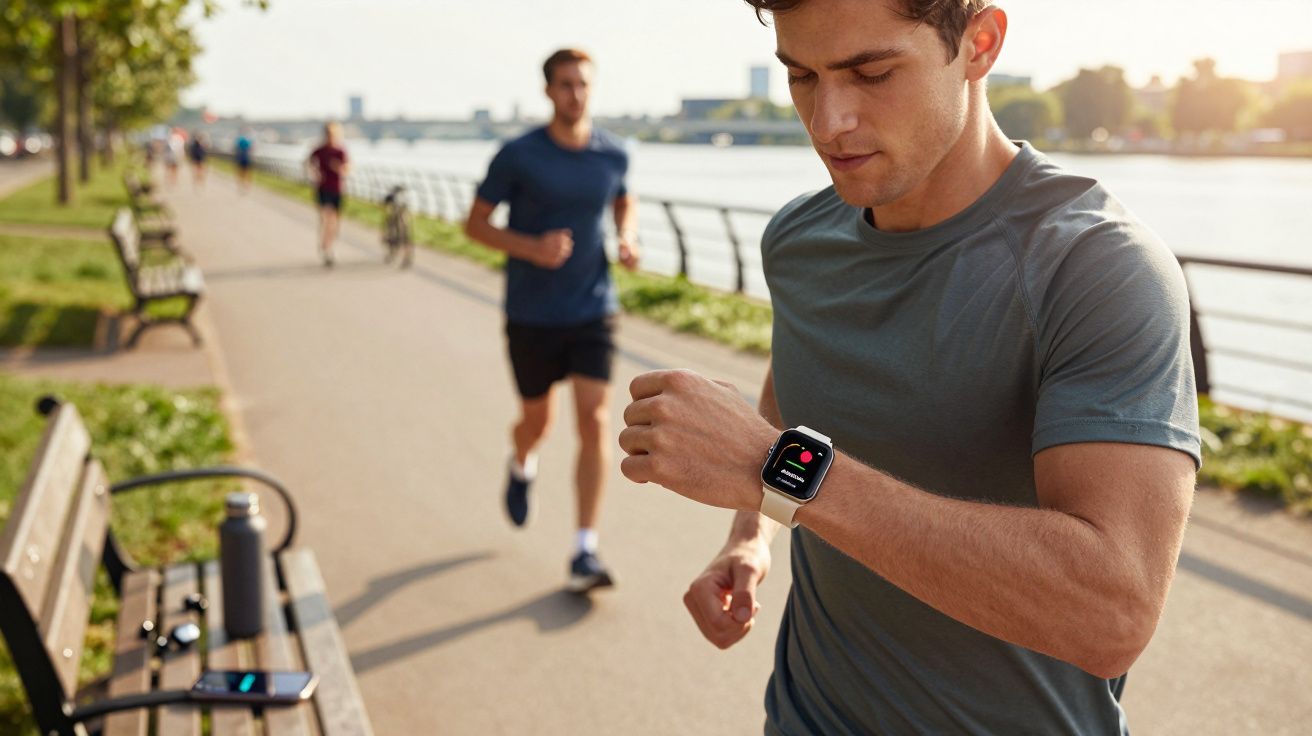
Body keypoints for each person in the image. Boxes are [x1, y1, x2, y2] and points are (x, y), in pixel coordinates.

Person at [617, 1, 1202, 733]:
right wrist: (752, 530)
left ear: (980, 44)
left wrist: (773, 467)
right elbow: (801, 385)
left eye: (872, 73)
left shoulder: (1098, 268)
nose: (828, 121)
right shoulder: (799, 240)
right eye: (802, 76)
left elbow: (1112, 614)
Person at [464, 48, 640, 594]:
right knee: (537, 422)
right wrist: (530, 247)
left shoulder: (613, 153)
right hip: (532, 314)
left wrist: (627, 236)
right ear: (548, 91)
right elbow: (474, 225)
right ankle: (521, 463)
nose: (576, 94)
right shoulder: (519, 155)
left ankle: (583, 548)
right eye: (565, 85)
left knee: (594, 421)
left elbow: (622, 202)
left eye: (583, 84)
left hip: (593, 308)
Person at [307, 122, 349, 267]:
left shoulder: (340, 151)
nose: (331, 137)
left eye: (333, 135)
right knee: (326, 218)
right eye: (329, 135)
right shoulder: (319, 150)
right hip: (323, 189)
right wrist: (314, 173)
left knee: (335, 222)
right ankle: (326, 247)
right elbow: (308, 162)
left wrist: (339, 168)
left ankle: (329, 245)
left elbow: (347, 169)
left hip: (337, 189)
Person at [234, 128, 254, 193]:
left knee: (240, 173)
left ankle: (240, 186)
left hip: (240, 158)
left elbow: (235, 148)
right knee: (247, 173)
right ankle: (246, 186)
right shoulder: (249, 140)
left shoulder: (239, 139)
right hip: (247, 158)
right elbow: (252, 149)